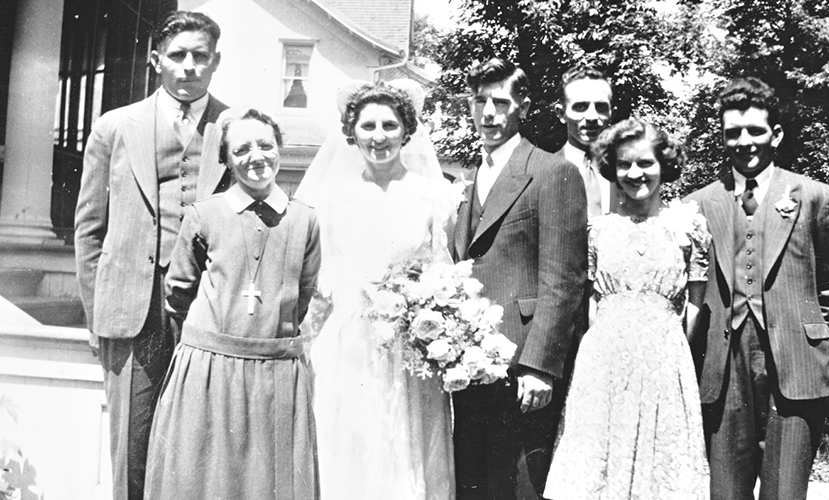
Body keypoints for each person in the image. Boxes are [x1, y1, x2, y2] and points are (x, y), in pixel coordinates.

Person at [73, 11, 228, 500]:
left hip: (205, 307)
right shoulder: (116, 127)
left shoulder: (234, 128)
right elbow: (89, 229)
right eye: (178, 55)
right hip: (130, 308)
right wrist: (96, 313)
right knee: (133, 442)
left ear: (216, 61)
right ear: (156, 60)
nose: (189, 66)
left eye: (200, 55)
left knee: (199, 441)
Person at [685, 77, 829, 500]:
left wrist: (806, 328)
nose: (744, 141)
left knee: (784, 491)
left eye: (754, 130)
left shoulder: (815, 197)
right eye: (733, 132)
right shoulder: (697, 205)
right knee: (726, 491)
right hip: (723, 363)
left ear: (775, 134)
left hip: (794, 363)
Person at [143, 109, 321, 499]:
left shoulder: (305, 220)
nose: (256, 156)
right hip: (210, 368)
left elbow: (303, 296)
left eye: (265, 145)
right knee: (204, 476)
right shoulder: (204, 215)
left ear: (279, 149)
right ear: (226, 159)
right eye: (241, 149)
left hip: (276, 370)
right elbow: (179, 293)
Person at [294, 80, 455, 500]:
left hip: (409, 348)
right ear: (351, 132)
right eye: (368, 126)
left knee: (405, 447)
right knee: (350, 450)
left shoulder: (430, 195)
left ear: (407, 131)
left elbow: (443, 273)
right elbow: (317, 283)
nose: (379, 136)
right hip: (347, 346)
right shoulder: (333, 198)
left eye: (389, 125)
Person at [543, 118, 711, 499]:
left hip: (664, 366)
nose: (635, 173)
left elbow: (696, 305)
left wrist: (668, 353)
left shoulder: (687, 228)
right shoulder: (598, 231)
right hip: (603, 367)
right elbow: (591, 302)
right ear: (612, 169)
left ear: (663, 165)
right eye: (625, 165)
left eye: (645, 163)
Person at [450, 58, 588, 500]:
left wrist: (540, 366)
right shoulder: (469, 179)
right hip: (470, 362)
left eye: (501, 102)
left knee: (522, 485)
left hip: (523, 363)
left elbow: (564, 279)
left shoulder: (552, 171)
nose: (489, 113)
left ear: (523, 108)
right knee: (474, 482)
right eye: (480, 101)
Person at [554, 65, 620, 216]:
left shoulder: (629, 171)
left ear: (611, 113)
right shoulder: (542, 173)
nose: (592, 117)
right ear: (561, 113)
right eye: (580, 107)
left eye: (601, 107)